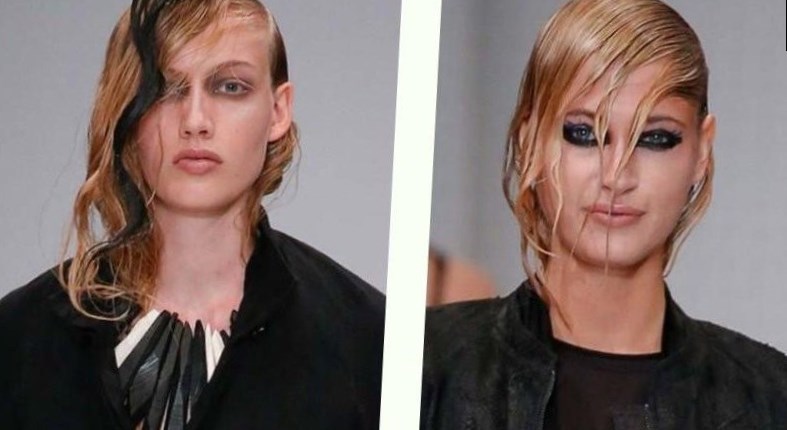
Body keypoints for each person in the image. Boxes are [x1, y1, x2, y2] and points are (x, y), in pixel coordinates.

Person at [0, 0, 384, 429]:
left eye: (230, 86)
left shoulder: (369, 345)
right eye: (165, 88)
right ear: (125, 108)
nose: (196, 121)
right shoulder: (18, 339)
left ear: (279, 111)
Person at [421, 0, 787, 429]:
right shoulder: (421, 367)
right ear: (528, 141)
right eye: (584, 134)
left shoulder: (769, 398)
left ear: (701, 152)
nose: (617, 176)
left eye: (655, 138)